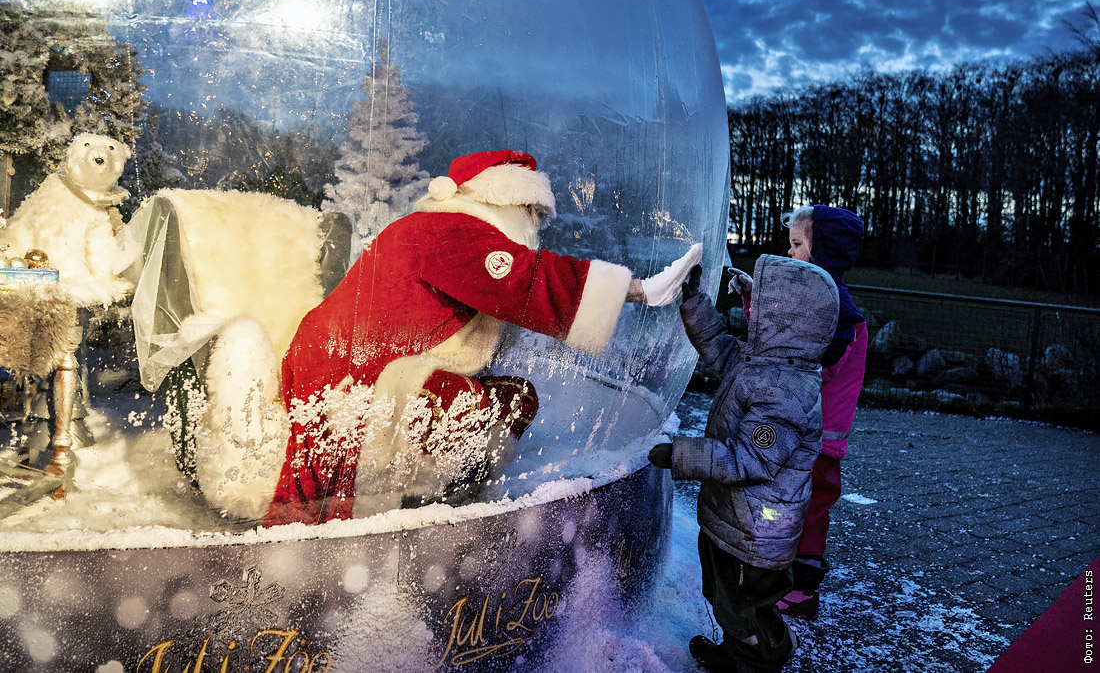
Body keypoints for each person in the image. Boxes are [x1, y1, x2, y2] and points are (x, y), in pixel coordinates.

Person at [264, 149, 701, 527]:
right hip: (349, 368)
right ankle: (378, 522)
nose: (535, 227)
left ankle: (427, 496)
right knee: (465, 408)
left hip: (340, 358)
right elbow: (524, 279)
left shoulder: (435, 227)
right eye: (532, 213)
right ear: (504, 201)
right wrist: (638, 290)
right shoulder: (454, 231)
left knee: (513, 397)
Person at [649, 254, 839, 673]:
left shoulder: (785, 395)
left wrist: (680, 454)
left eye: (763, 308)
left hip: (756, 534)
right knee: (728, 599)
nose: (752, 312)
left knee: (742, 607)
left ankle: (762, 658)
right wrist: (694, 303)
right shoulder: (763, 365)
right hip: (738, 522)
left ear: (786, 324)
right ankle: (744, 651)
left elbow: (748, 459)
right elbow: (719, 347)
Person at [763, 204, 867, 619]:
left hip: (819, 437)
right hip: (807, 429)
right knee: (792, 503)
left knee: (809, 507)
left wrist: (786, 374)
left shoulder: (838, 309)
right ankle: (779, 574)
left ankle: (802, 589)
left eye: (796, 244)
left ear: (821, 249)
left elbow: (819, 363)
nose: (789, 253)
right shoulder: (822, 298)